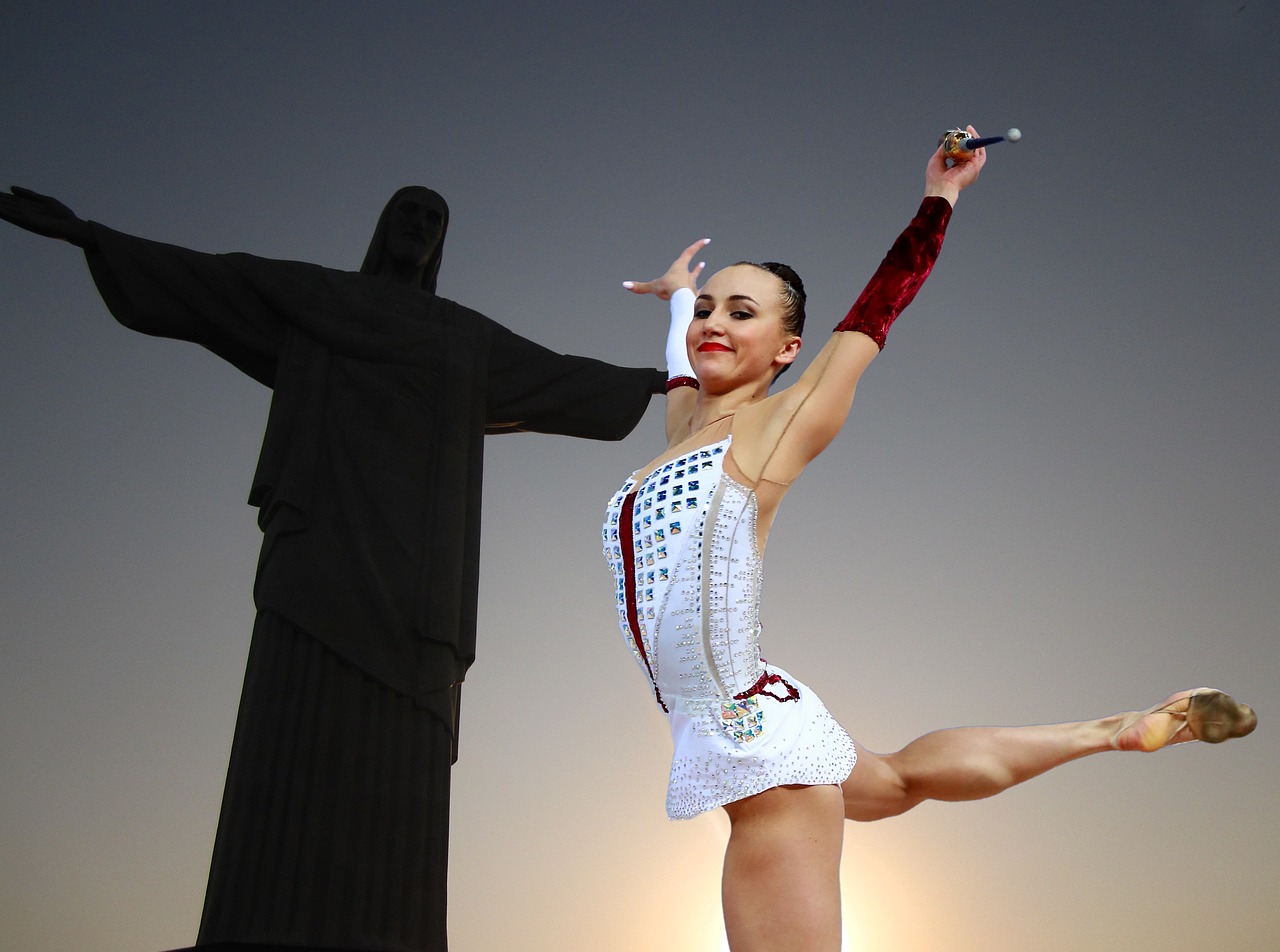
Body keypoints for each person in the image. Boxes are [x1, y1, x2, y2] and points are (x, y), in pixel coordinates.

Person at [605, 130, 1257, 952]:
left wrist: (938, 197)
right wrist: (674, 299)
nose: (713, 324)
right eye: (708, 309)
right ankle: (1116, 729)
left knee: (890, 787)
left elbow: (877, 308)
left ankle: (1115, 730)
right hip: (750, 711)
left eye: (742, 312)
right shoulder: (684, 429)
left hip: (758, 754)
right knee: (900, 779)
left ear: (789, 348)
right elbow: (677, 365)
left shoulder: (782, 423)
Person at [0, 184, 664, 951]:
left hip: (419, 580)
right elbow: (207, 279)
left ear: (440, 242)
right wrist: (86, 234)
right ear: (384, 228)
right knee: (293, 725)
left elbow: (555, 376)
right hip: (317, 551)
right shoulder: (315, 296)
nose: (416, 227)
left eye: (431, 219)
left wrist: (661, 382)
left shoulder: (459, 337)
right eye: (407, 213)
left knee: (401, 745)